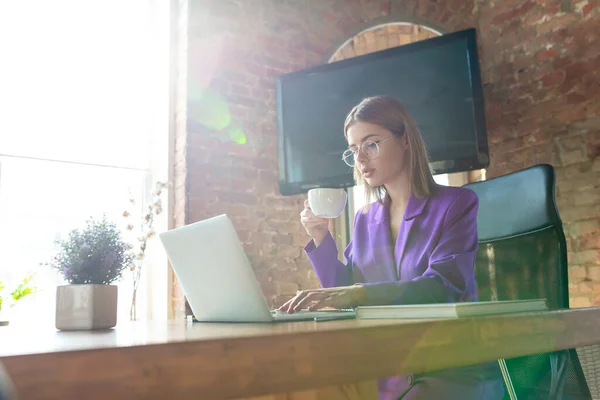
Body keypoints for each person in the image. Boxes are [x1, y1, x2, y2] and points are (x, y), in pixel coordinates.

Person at [280, 95, 505, 399]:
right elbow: (341, 291)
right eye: (353, 150)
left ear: (406, 140)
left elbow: (442, 287)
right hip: (387, 369)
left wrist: (361, 292)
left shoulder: (456, 204)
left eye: (371, 144)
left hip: (449, 369)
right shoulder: (365, 219)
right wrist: (321, 237)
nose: (360, 159)